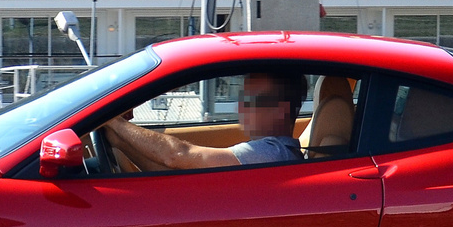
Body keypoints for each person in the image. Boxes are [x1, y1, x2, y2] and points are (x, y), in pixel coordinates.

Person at [102, 71, 307, 170]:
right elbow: (171, 173)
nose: (241, 107)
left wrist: (112, 120)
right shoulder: (277, 153)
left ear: (281, 110)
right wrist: (119, 140)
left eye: (251, 101)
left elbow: (178, 155)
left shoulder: (271, 153)